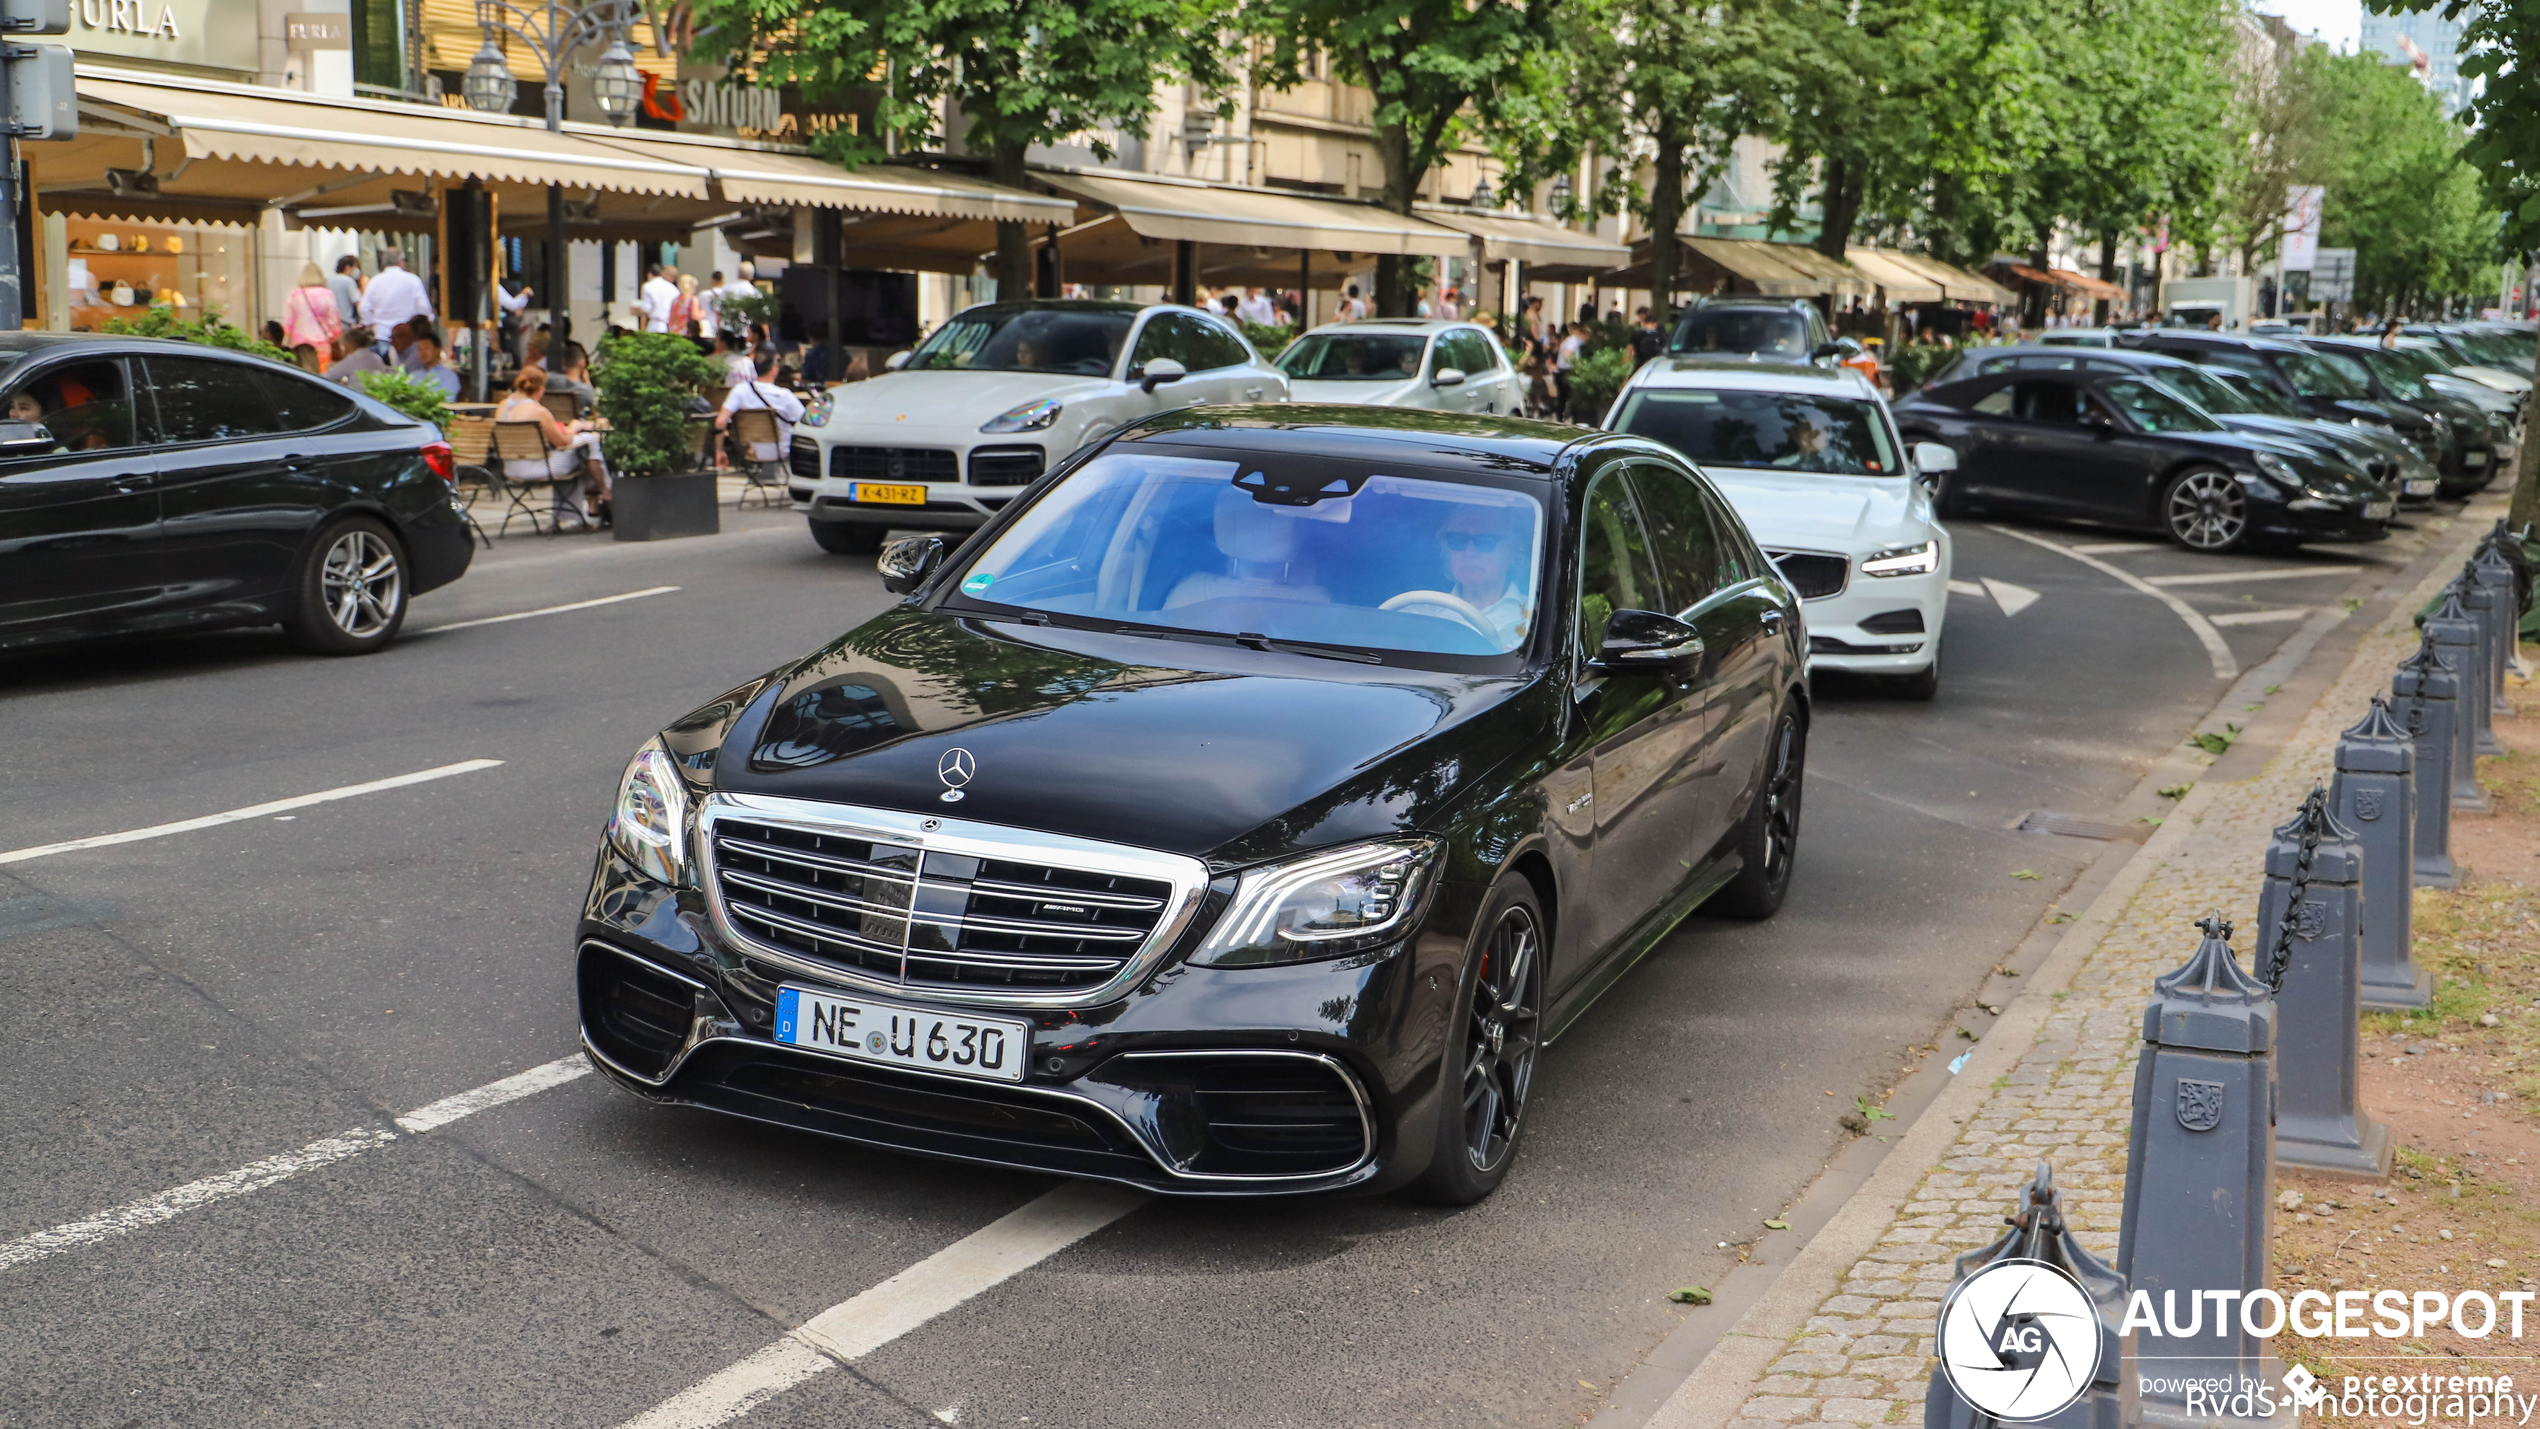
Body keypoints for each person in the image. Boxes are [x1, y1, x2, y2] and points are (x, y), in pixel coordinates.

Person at [497, 367, 611, 523]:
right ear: (541, 389)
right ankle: (606, 492)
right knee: (589, 443)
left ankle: (572, 514)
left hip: (510, 467)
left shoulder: (503, 405)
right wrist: (574, 427)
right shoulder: (539, 411)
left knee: (580, 456)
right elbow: (562, 443)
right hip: (539, 468)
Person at [1432, 501, 1530, 650]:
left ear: (1511, 552)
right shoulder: (1418, 613)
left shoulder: (1537, 618)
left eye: (1484, 542)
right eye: (1458, 540)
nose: (1469, 552)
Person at [719, 347, 807, 466]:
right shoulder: (784, 395)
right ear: (774, 369)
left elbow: (720, 422)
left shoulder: (739, 390)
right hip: (781, 452)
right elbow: (805, 422)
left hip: (750, 451)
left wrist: (719, 450)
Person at [357, 247, 433, 333]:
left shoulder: (375, 281)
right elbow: (423, 307)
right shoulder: (413, 280)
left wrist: (372, 323)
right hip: (407, 331)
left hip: (382, 331)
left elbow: (363, 308)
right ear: (400, 262)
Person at [282, 263, 344, 359]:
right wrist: (336, 337)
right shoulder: (327, 294)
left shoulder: (295, 295)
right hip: (323, 346)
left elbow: (288, 323)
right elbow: (334, 323)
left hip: (299, 346)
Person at [543, 342, 596, 417]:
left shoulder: (550, 379)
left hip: (552, 422)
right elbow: (595, 407)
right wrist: (587, 382)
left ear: (563, 363)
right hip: (575, 426)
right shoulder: (586, 390)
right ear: (582, 363)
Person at [407, 331, 460, 400]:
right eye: (420, 349)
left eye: (426, 348)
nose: (423, 352)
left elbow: (448, 400)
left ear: (437, 350)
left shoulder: (449, 376)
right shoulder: (414, 375)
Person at [636, 263, 679, 333]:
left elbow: (646, 309)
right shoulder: (674, 289)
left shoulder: (648, 286)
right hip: (670, 325)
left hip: (654, 324)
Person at [327, 256, 364, 328]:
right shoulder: (348, 281)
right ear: (348, 268)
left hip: (332, 322)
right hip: (347, 323)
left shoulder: (329, 281)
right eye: (355, 267)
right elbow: (357, 302)